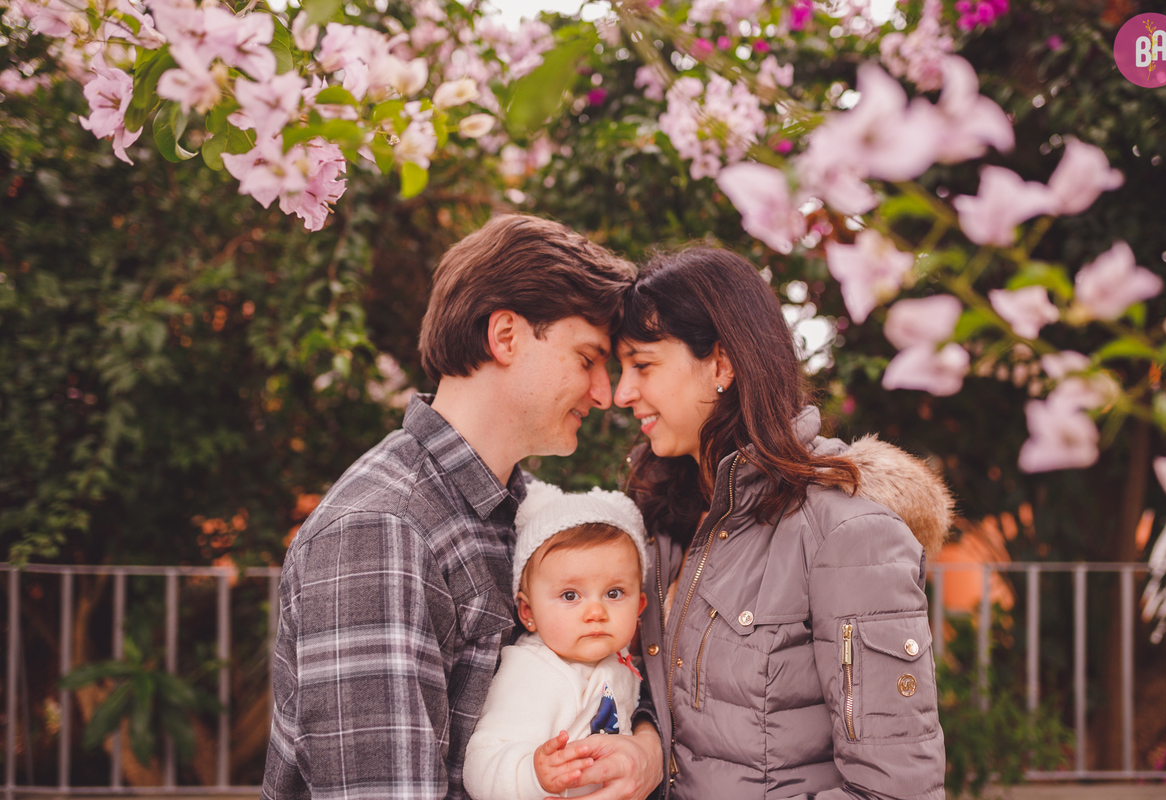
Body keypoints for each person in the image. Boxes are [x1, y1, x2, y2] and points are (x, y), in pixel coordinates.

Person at [261, 215, 662, 800]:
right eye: (587, 359)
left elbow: (611, 674)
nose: (605, 394)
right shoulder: (382, 530)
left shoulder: (524, 512)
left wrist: (645, 753)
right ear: (505, 336)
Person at [613, 246, 952, 800]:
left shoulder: (845, 535)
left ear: (721, 364)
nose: (623, 393)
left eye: (643, 365)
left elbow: (896, 791)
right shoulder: (666, 522)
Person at [464, 481, 649, 800]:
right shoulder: (533, 674)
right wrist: (532, 774)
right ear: (528, 611)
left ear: (639, 607)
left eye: (614, 593)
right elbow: (481, 764)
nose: (596, 612)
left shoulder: (618, 659)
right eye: (570, 595)